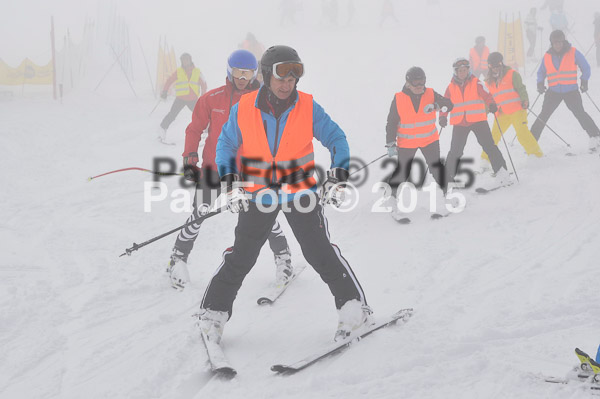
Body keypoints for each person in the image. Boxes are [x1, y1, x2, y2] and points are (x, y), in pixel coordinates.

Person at [197, 45, 371, 344]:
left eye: (293, 76)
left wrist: (338, 176)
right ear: (266, 75)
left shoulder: (307, 106)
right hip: (258, 194)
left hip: (299, 192)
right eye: (280, 76)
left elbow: (336, 138)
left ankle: (353, 308)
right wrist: (231, 182)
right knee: (242, 257)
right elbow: (225, 145)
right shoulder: (245, 107)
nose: (287, 83)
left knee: (320, 252)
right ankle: (213, 313)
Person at [167, 50, 294, 290]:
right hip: (214, 169)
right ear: (229, 71)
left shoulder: (265, 99)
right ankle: (177, 259)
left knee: (262, 218)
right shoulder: (211, 99)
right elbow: (194, 129)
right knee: (198, 215)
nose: (242, 77)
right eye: (237, 72)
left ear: (255, 73)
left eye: (247, 73)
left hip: (250, 172)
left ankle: (284, 259)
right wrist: (189, 155)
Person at [385, 66, 453, 196]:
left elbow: (449, 104)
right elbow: (391, 122)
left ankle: (451, 192)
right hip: (406, 143)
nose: (420, 86)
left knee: (436, 168)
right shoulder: (399, 98)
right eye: (416, 82)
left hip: (429, 140)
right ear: (408, 83)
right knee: (402, 171)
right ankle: (390, 197)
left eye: (422, 81)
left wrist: (436, 106)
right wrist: (390, 142)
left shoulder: (431, 93)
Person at [441, 58, 510, 186]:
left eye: (465, 70)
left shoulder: (476, 83)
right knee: (455, 151)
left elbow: (487, 95)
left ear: (468, 70)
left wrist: (492, 104)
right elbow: (445, 103)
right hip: (460, 123)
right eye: (460, 70)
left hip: (478, 120)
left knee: (489, 146)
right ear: (456, 72)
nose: (462, 72)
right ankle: (447, 178)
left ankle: (502, 173)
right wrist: (443, 116)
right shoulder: (450, 87)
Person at [531, 30, 600, 150]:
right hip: (553, 91)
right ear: (551, 43)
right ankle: (531, 141)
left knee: (580, 113)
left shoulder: (573, 52)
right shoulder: (547, 56)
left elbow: (586, 67)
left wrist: (584, 81)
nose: (558, 45)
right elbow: (541, 72)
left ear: (563, 41)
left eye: (560, 42)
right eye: (555, 42)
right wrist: (540, 83)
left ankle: (595, 137)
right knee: (544, 115)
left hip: (571, 91)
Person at [483, 52, 543, 159]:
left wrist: (524, 99)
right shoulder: (488, 81)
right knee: (493, 137)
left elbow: (521, 88)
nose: (495, 69)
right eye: (493, 67)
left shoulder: (512, 74)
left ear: (502, 64)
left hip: (517, 110)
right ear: (489, 66)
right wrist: (484, 112)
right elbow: (488, 99)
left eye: (498, 66)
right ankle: (485, 160)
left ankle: (537, 156)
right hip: (501, 113)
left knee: (522, 134)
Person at [158, 53, 207, 143]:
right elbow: (169, 80)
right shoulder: (179, 71)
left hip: (192, 99)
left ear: (190, 60)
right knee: (172, 114)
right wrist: (165, 91)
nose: (185, 62)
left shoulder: (197, 72)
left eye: (187, 59)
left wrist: (203, 96)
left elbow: (204, 84)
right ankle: (162, 131)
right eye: (184, 60)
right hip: (180, 99)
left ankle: (206, 133)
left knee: (201, 115)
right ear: (181, 61)